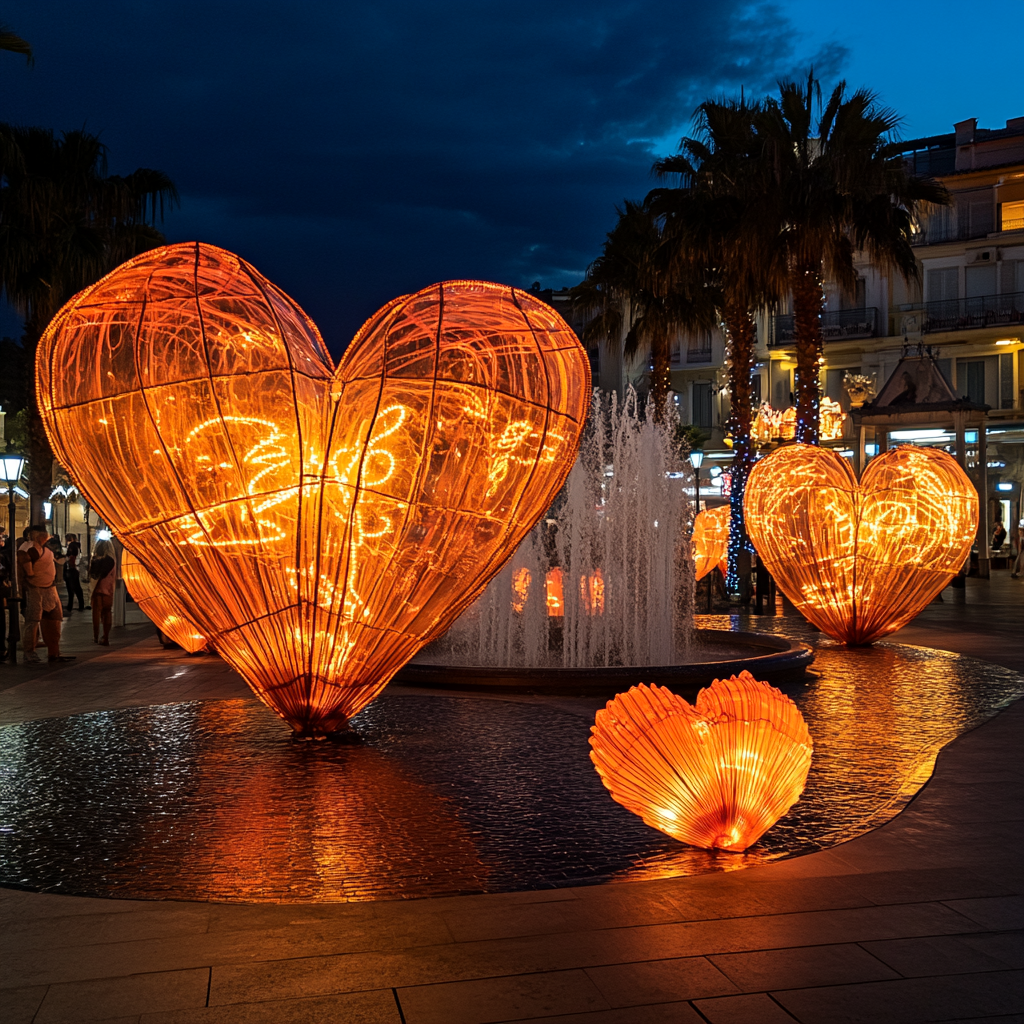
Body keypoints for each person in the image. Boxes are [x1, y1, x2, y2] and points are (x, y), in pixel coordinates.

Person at [19, 525, 76, 663]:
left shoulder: (45, 547)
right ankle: (29, 652)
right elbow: (27, 569)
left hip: (49, 588)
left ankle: (54, 652)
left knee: (55, 618)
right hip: (35, 589)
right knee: (33, 621)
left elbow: (60, 559)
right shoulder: (28, 548)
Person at [89, 539, 117, 645]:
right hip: (108, 589)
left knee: (96, 613)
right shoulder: (112, 561)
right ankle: (106, 637)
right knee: (107, 612)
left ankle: (95, 636)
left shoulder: (95, 560)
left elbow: (92, 575)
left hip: (97, 589)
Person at [63, 533, 86, 612]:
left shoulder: (72, 546)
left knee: (73, 588)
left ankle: (75, 605)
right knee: (75, 588)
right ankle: (77, 605)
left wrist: (71, 565)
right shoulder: (76, 546)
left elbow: (71, 557)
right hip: (74, 568)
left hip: (72, 569)